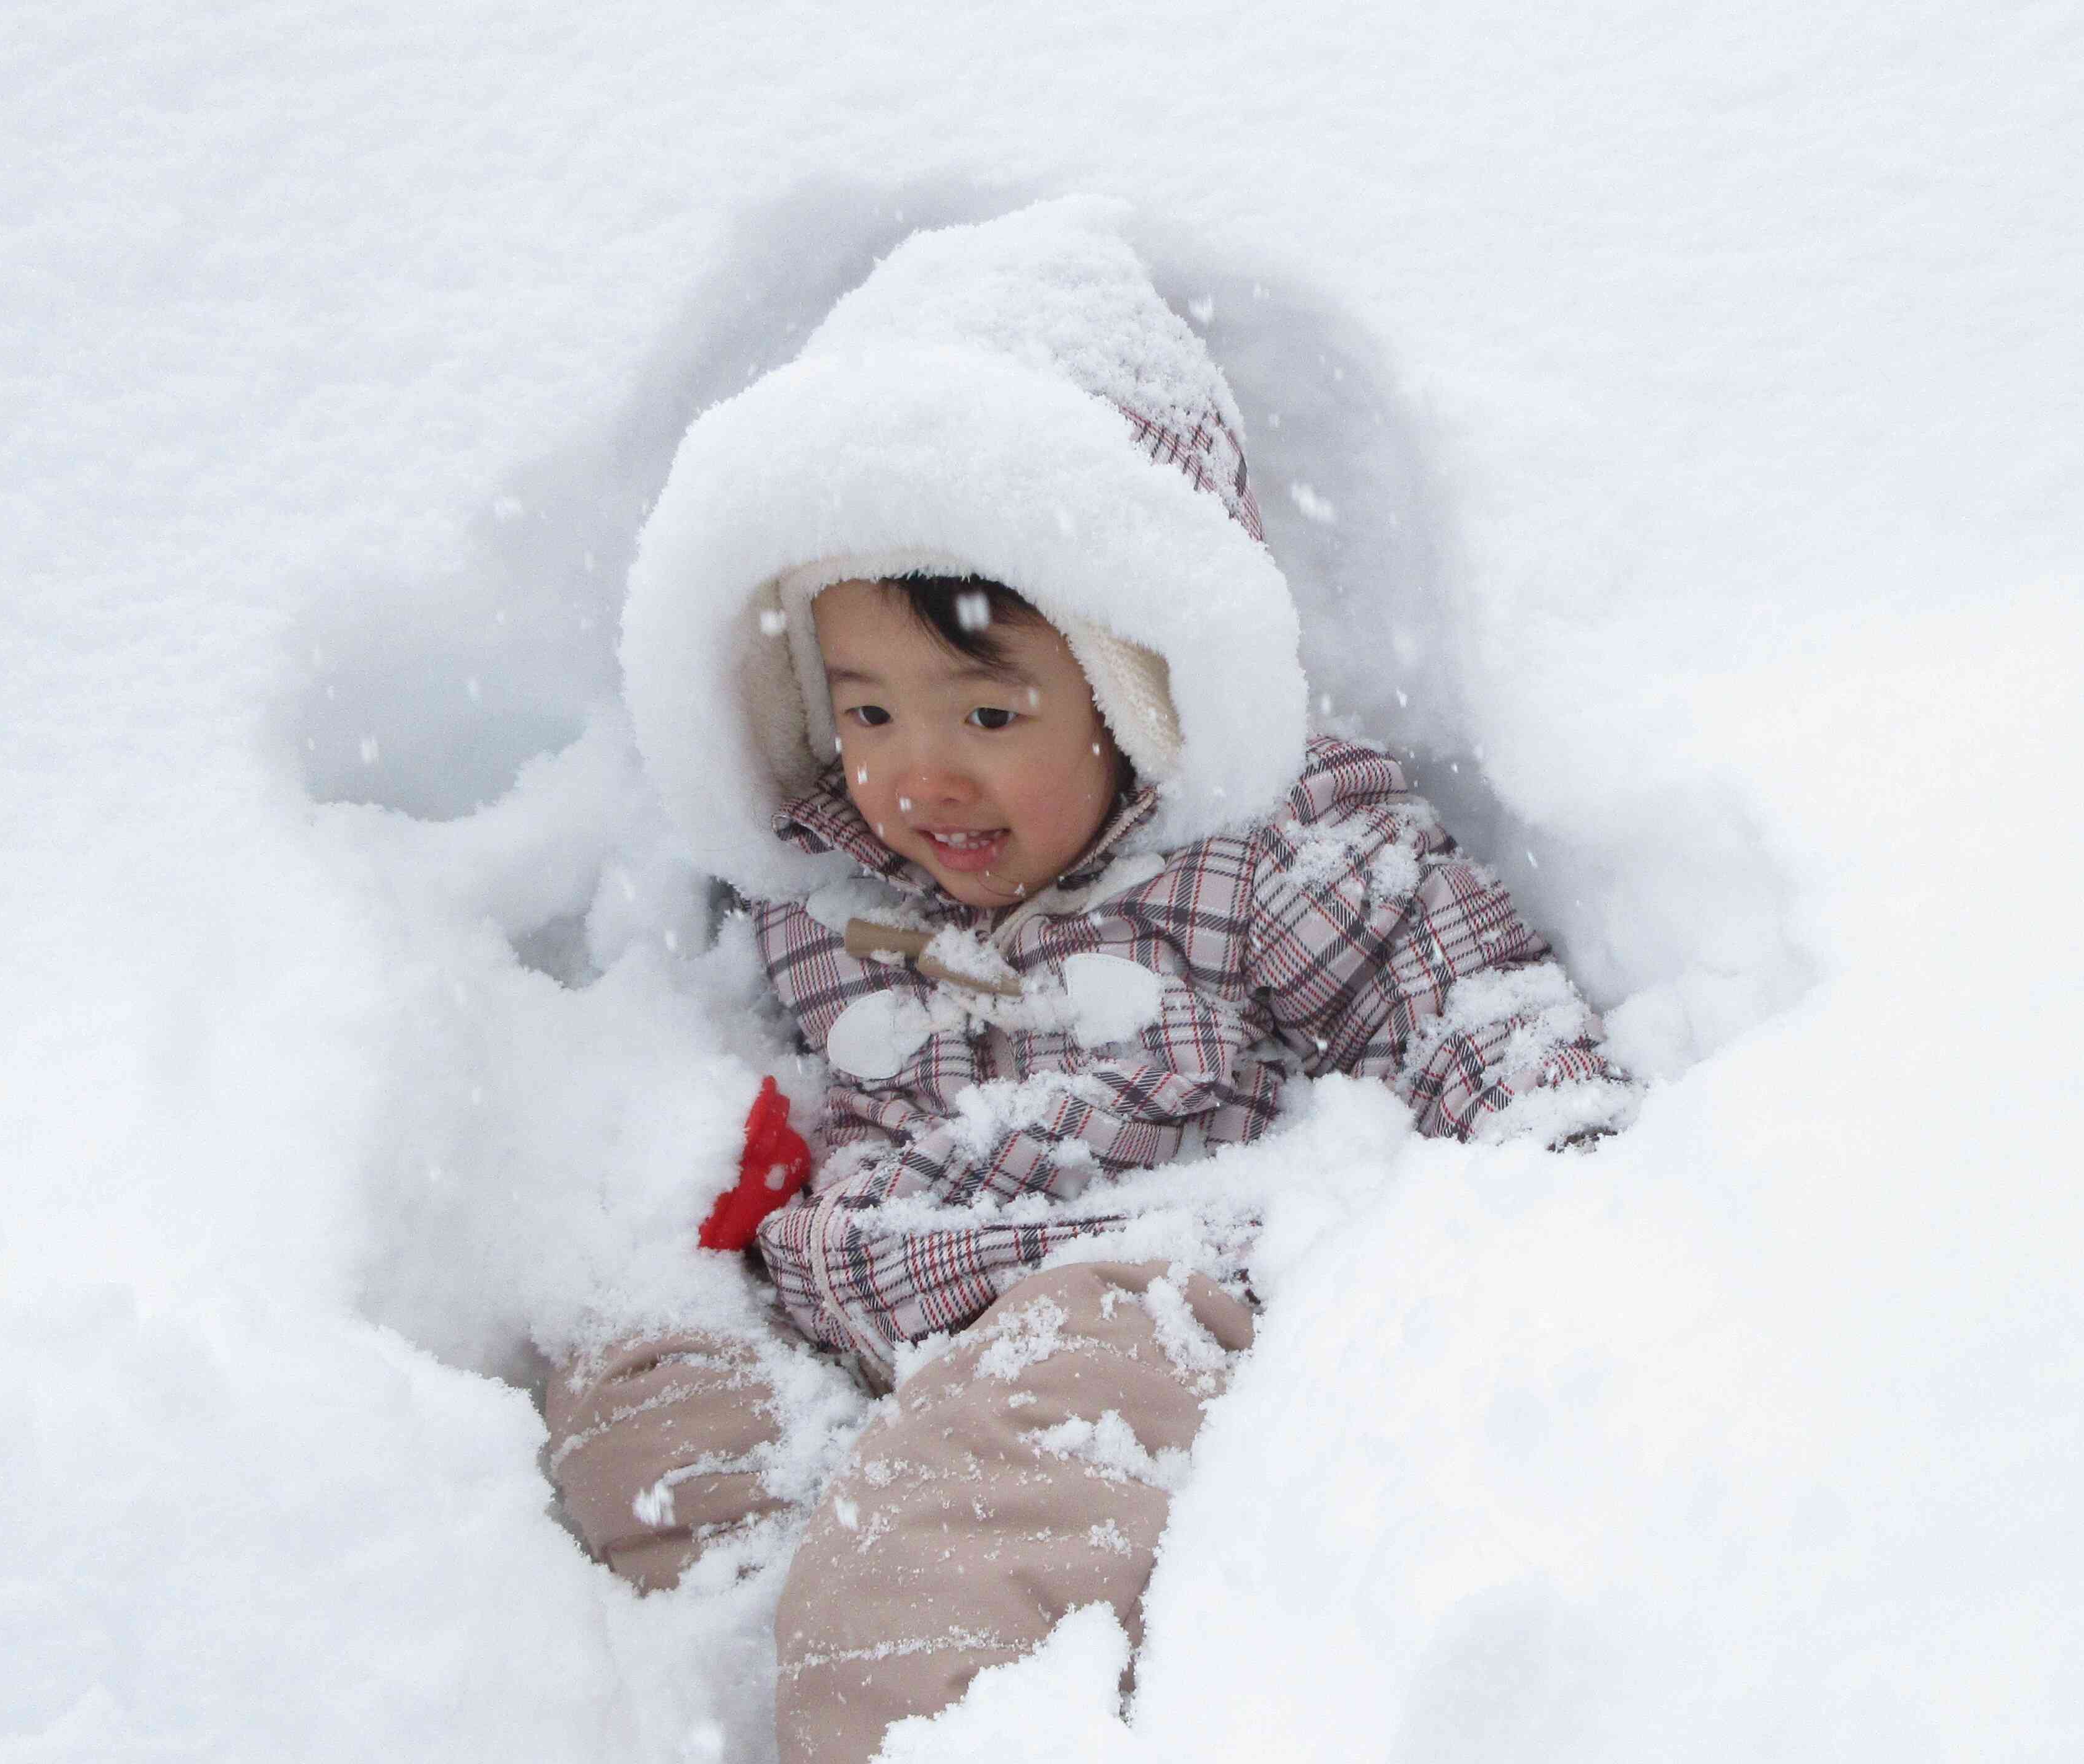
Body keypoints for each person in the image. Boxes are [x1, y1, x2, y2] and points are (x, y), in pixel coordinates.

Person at [545, 197, 1629, 1763]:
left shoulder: (1253, 850)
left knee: (952, 1526)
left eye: (985, 715)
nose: (914, 777)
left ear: (1133, 686)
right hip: (867, 1307)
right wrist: (725, 1206)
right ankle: (747, 1644)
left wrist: (1569, 1176)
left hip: (1113, 1298)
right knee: (640, 1397)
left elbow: (1445, 991)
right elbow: (756, 1093)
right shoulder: (817, 885)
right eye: (863, 712)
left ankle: (902, 1708)